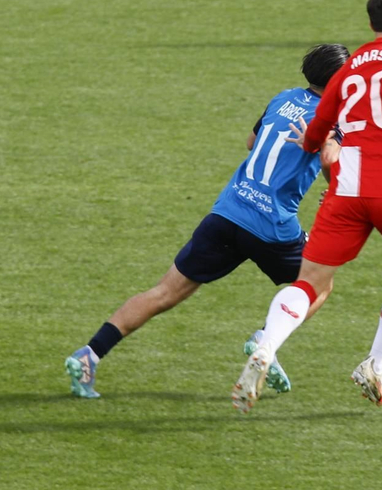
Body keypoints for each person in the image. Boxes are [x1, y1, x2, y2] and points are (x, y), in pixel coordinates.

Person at [63, 43, 350, 399]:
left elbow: (252, 142)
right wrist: (334, 185)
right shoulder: (332, 117)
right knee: (319, 285)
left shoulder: (283, 98)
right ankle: (266, 340)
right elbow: (329, 159)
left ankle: (89, 354)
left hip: (228, 212)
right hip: (272, 226)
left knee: (163, 293)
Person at [232, 0, 382, 413]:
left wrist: (310, 144)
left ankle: (267, 345)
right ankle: (375, 363)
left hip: (346, 191)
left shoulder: (350, 66)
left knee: (309, 282)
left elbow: (320, 124)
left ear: (371, 24)